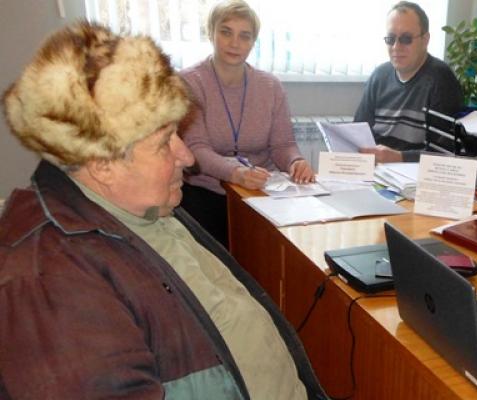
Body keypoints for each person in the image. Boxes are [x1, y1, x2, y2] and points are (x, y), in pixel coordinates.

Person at [0, 22, 325, 399]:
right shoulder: (48, 282)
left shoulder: (144, 208)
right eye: (164, 142)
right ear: (103, 164)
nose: (186, 156)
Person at [180, 0, 314, 248]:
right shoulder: (189, 82)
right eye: (226, 32)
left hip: (261, 193)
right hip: (207, 193)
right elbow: (196, 149)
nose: (235, 43)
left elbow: (283, 144)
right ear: (211, 33)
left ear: (253, 42)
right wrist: (236, 173)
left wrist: (295, 161)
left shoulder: (270, 86)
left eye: (245, 36)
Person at [354, 1, 464, 163]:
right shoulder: (379, 76)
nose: (396, 47)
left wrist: (399, 157)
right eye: (390, 39)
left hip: (416, 172)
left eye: (406, 39)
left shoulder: (441, 81)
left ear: (425, 40)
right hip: (376, 169)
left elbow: (445, 152)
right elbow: (358, 134)